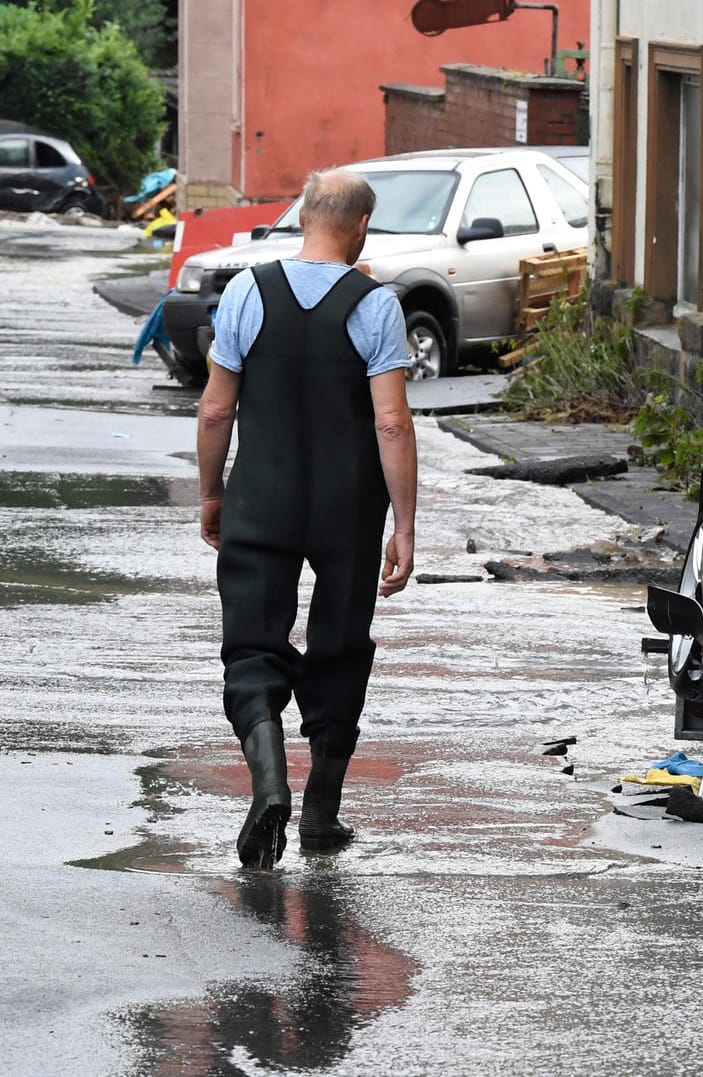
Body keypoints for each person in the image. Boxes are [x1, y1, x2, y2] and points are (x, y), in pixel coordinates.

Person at [195, 168, 417, 869]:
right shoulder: (375, 304)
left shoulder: (245, 292)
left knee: (252, 642)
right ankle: (321, 811)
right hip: (348, 508)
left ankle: (268, 782)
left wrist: (211, 492)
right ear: (359, 228)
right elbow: (390, 421)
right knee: (341, 644)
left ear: (303, 219)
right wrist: (404, 524)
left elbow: (215, 408)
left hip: (262, 496)